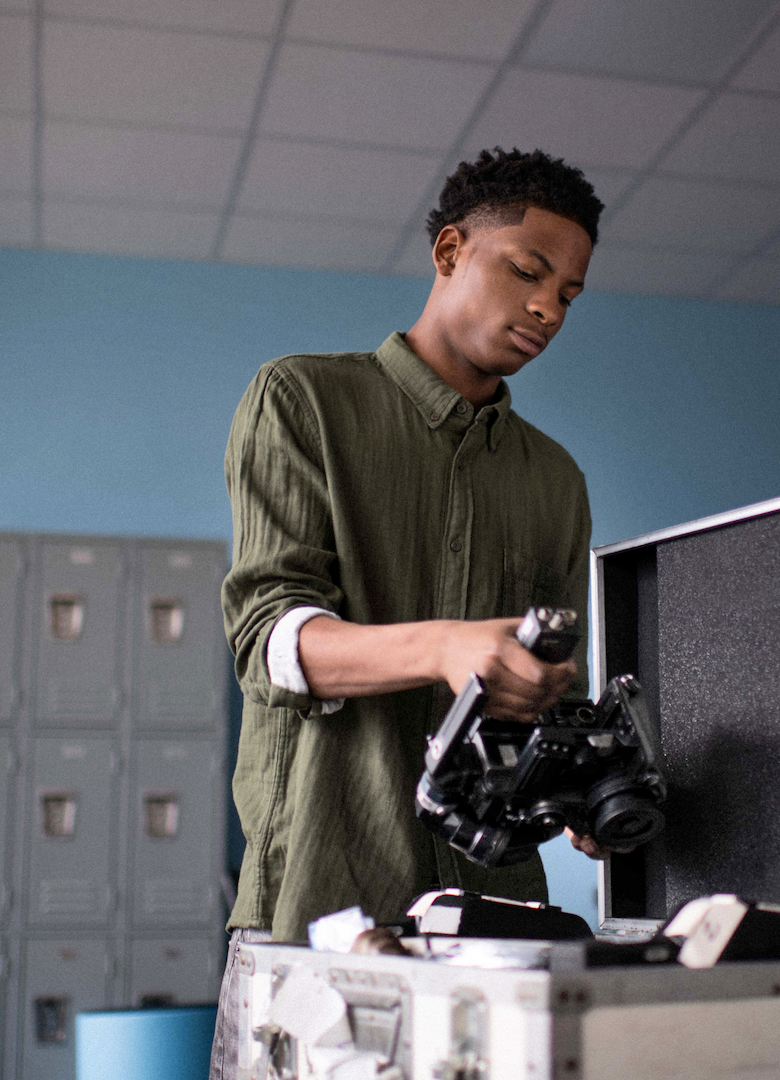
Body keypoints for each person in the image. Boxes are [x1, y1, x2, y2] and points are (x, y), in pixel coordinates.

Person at [210, 147, 605, 1079]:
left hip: (497, 933)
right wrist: (445, 648)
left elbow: (543, 700)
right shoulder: (302, 399)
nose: (549, 308)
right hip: (316, 922)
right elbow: (269, 640)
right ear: (449, 250)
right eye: (528, 271)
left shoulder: (556, 480)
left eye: (572, 294)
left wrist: (585, 783)